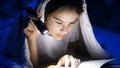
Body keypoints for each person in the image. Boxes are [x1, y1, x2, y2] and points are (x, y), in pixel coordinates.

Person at [23, 0, 109, 68]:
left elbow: (71, 48)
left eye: (72, 23)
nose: (65, 30)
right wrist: (32, 38)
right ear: (43, 14)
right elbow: (31, 66)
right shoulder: (31, 29)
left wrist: (67, 56)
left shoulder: (72, 26)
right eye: (59, 22)